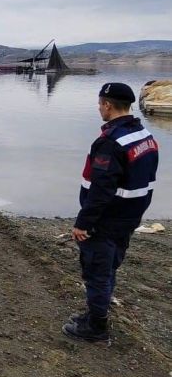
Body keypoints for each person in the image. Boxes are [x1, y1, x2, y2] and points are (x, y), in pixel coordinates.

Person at [63, 83, 158, 343]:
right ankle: (97, 314)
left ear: (107, 104)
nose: (98, 107)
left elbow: (102, 188)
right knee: (108, 269)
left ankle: (96, 327)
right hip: (128, 217)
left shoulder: (110, 143)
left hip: (105, 220)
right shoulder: (144, 136)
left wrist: (83, 223)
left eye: (100, 103)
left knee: (96, 270)